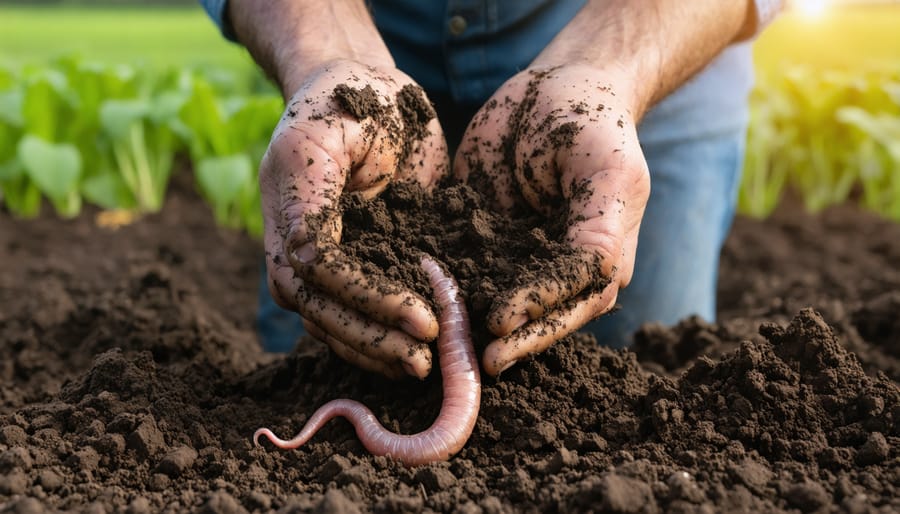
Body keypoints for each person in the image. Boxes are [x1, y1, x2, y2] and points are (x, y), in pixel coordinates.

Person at [200, 0, 782, 378]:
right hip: (363, 50)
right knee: (322, 338)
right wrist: (331, 52)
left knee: (648, 373)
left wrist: (605, 68)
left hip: (651, 43)